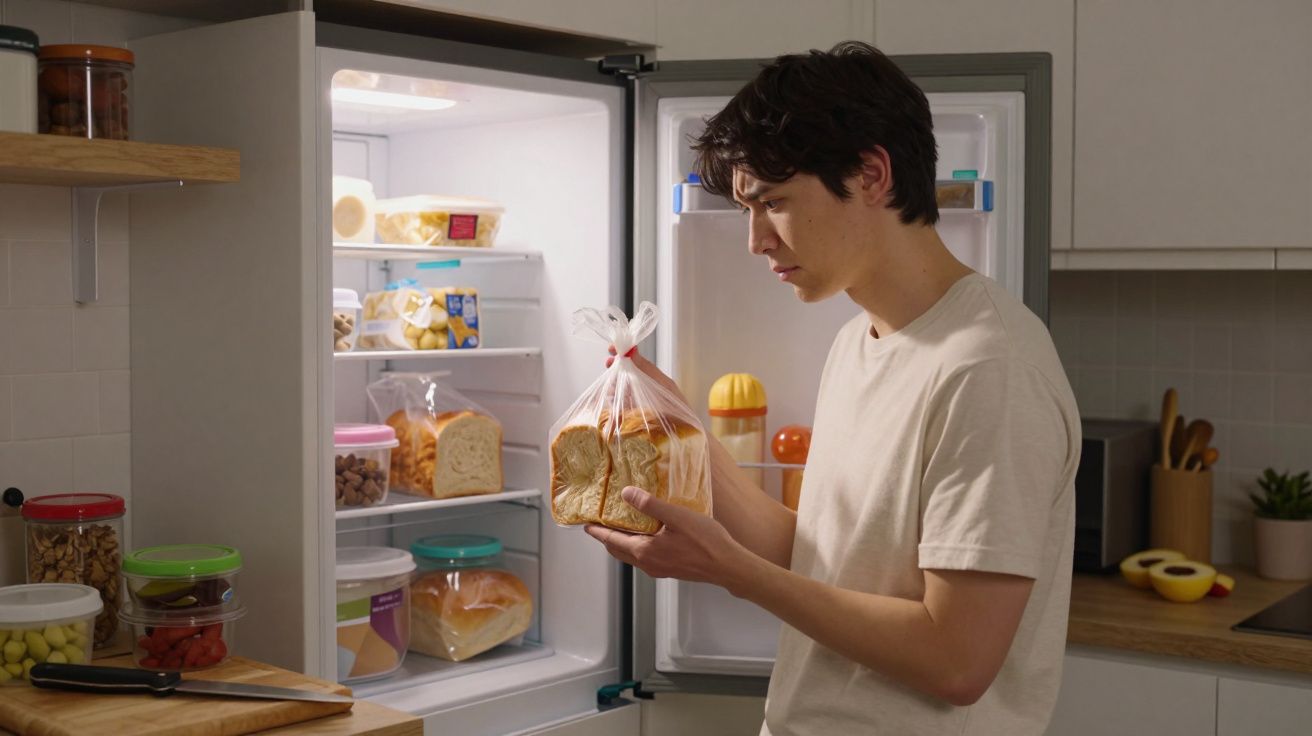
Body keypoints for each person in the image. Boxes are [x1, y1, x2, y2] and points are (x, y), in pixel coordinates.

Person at [585, 41, 1080, 735]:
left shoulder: (989, 369)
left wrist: (730, 571)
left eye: (774, 203)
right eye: (744, 210)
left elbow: (957, 661)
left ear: (872, 174)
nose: (755, 240)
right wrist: (684, 434)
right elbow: (828, 558)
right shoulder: (859, 340)